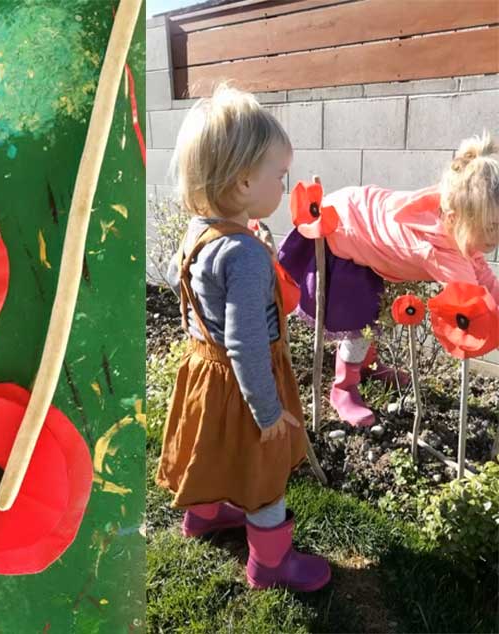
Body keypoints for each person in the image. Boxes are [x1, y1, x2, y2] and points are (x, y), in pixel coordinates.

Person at [155, 84, 330, 592]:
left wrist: (252, 242)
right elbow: (247, 343)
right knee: (262, 467)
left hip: (203, 372)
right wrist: (269, 411)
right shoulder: (246, 256)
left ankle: (205, 515)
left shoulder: (198, 232)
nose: (284, 185)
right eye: (280, 176)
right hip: (246, 380)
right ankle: (270, 564)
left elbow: (180, 277)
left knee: (211, 447)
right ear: (243, 181)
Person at [278, 133, 499, 427]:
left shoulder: (451, 200)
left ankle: (368, 365)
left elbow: (483, 274)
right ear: (457, 216)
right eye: (491, 227)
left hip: (360, 214)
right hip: (343, 234)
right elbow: (475, 303)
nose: (495, 238)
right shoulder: (442, 255)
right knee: (359, 323)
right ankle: (343, 388)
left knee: (376, 314)